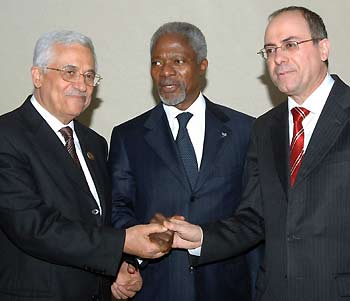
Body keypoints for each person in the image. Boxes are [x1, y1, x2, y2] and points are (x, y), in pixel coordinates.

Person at [165, 6, 350, 301]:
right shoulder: (265, 128)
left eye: (290, 44)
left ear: (323, 48)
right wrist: (202, 237)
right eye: (270, 50)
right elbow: (254, 217)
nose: (279, 58)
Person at [0, 30, 169, 301]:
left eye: (89, 75)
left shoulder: (94, 143)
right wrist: (123, 242)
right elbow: (34, 227)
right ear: (37, 76)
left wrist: (117, 267)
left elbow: (94, 220)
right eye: (70, 72)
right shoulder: (7, 137)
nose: (82, 84)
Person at [109, 22, 261, 301]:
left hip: (227, 288)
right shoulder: (127, 136)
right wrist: (143, 244)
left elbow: (253, 216)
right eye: (156, 62)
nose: (165, 71)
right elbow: (117, 209)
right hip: (157, 287)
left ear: (202, 65)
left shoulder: (246, 131)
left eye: (178, 61)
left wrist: (205, 238)